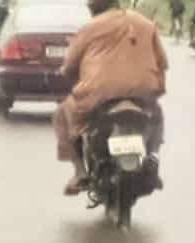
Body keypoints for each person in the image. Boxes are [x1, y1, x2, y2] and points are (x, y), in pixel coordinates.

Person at [53, 0, 168, 195]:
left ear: (94, 8)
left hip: (99, 93)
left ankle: (80, 173)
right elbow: (162, 62)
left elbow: (70, 64)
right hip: (143, 93)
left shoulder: (90, 28)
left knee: (63, 113)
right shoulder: (146, 24)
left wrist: (67, 73)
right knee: (156, 115)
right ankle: (153, 157)